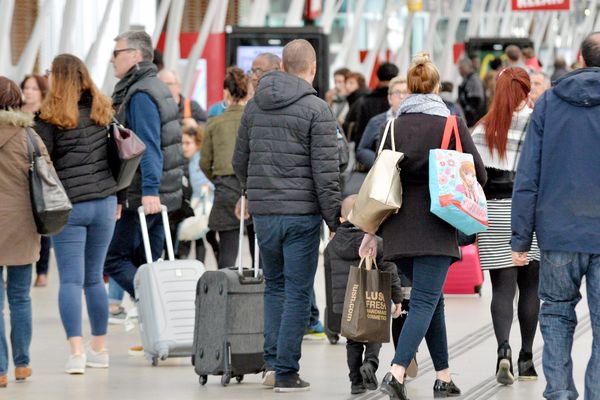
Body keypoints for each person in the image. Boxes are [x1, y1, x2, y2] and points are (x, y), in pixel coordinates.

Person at [360, 52, 486, 400]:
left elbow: (379, 183)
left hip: (399, 231)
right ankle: (396, 372)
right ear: (436, 87)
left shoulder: (393, 127)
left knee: (433, 302)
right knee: (426, 302)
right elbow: (480, 173)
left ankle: (443, 377)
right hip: (436, 226)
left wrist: (372, 233)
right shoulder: (450, 124)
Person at [232, 39, 341, 392]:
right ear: (312, 68)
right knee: (297, 290)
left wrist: (256, 191)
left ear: (282, 66)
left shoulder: (254, 106)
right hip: (301, 216)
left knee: (274, 286)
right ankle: (286, 372)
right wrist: (334, 219)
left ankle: (270, 363)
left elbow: (239, 161)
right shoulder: (317, 108)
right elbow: (326, 173)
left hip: (264, 214)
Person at [511, 32, 600, 400]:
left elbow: (528, 172)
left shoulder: (548, 102)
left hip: (558, 231)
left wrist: (519, 237)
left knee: (557, 314)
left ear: (580, 59)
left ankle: (561, 392)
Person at [36, 54, 118, 374]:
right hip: (105, 202)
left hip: (70, 206)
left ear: (57, 78)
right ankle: (100, 349)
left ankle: (76, 353)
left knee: (70, 279)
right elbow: (118, 156)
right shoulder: (103, 110)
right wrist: (119, 198)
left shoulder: (49, 117)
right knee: (94, 278)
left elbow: (42, 168)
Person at [471, 67, 541, 386]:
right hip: (531, 213)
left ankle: (503, 350)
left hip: (494, 214)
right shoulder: (539, 124)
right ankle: (527, 358)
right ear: (526, 92)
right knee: (530, 288)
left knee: (502, 289)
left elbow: (473, 178)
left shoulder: (482, 128)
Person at [104, 30, 183, 299]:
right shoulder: (156, 86)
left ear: (135, 55)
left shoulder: (140, 94)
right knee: (145, 261)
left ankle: (155, 304)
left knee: (113, 258)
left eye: (116, 53)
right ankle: (156, 322)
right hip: (158, 191)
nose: (111, 60)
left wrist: (150, 189)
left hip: (142, 193)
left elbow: (147, 144)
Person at [324, 195, 403, 395]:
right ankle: (370, 362)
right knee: (373, 335)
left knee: (352, 341)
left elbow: (329, 275)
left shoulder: (332, 245)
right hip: (371, 298)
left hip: (346, 303)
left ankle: (356, 382)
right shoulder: (374, 241)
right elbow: (390, 271)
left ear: (341, 219)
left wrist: (335, 307)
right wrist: (398, 298)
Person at [0, 76, 45, 387]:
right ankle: (22, 364)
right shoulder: (30, 137)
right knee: (20, 297)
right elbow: (48, 178)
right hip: (23, 226)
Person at [200, 67, 250, 269]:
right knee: (261, 253)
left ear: (226, 93)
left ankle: (225, 295)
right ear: (248, 92)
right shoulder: (253, 120)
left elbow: (204, 162)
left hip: (225, 188)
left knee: (228, 253)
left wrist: (218, 180)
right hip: (255, 187)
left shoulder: (214, 123)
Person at [20, 74, 51, 287]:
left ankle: (42, 271)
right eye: (26, 87)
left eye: (33, 88)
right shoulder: (13, 115)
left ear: (41, 91)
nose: (29, 91)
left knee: (43, 224)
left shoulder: (47, 117)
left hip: (40, 177)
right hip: (20, 178)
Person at [181, 123, 217, 262]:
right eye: (182, 143)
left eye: (187, 143)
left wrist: (208, 186)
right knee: (203, 236)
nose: (184, 146)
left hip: (205, 204)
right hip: (200, 203)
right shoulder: (191, 161)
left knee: (202, 235)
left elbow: (209, 179)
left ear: (197, 143)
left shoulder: (199, 161)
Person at [356, 76, 408, 169]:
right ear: (389, 98)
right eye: (397, 92)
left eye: (405, 92)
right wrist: (379, 164)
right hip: (383, 177)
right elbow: (362, 150)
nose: (401, 96)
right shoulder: (376, 121)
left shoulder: (416, 120)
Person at [351, 62, 400, 145]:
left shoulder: (366, 100)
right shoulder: (401, 100)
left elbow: (360, 133)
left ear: (377, 78)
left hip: (371, 151)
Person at [458, 57, 486, 127]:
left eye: (461, 68)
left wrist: (470, 114)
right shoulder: (467, 79)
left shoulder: (473, 79)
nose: (459, 70)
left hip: (473, 120)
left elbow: (477, 100)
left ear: (468, 66)